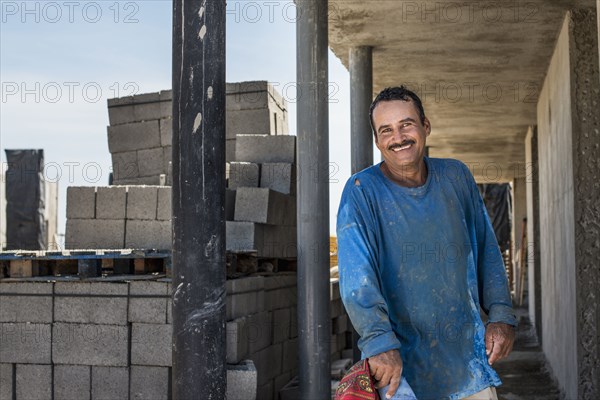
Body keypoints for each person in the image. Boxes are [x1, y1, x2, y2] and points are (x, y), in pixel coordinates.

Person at [336, 86, 517, 400]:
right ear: (378, 141)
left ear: (425, 127)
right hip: (399, 372)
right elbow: (356, 279)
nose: (399, 137)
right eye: (386, 130)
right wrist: (379, 343)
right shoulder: (361, 191)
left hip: (468, 365)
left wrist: (501, 314)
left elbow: (486, 249)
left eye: (406, 124)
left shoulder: (456, 177)